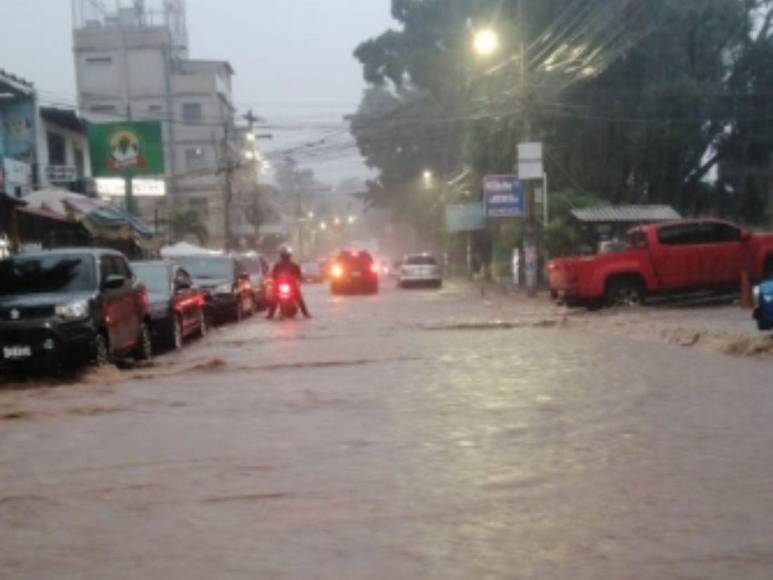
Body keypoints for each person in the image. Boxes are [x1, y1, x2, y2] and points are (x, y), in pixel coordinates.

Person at [267, 246, 311, 319]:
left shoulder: (294, 265)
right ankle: (270, 314)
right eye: (284, 255)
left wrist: (298, 281)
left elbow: (299, 276)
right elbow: (273, 276)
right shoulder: (277, 265)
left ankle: (305, 313)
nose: (285, 257)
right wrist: (275, 282)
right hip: (280, 285)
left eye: (286, 255)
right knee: (274, 298)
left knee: (299, 297)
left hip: (291, 285)